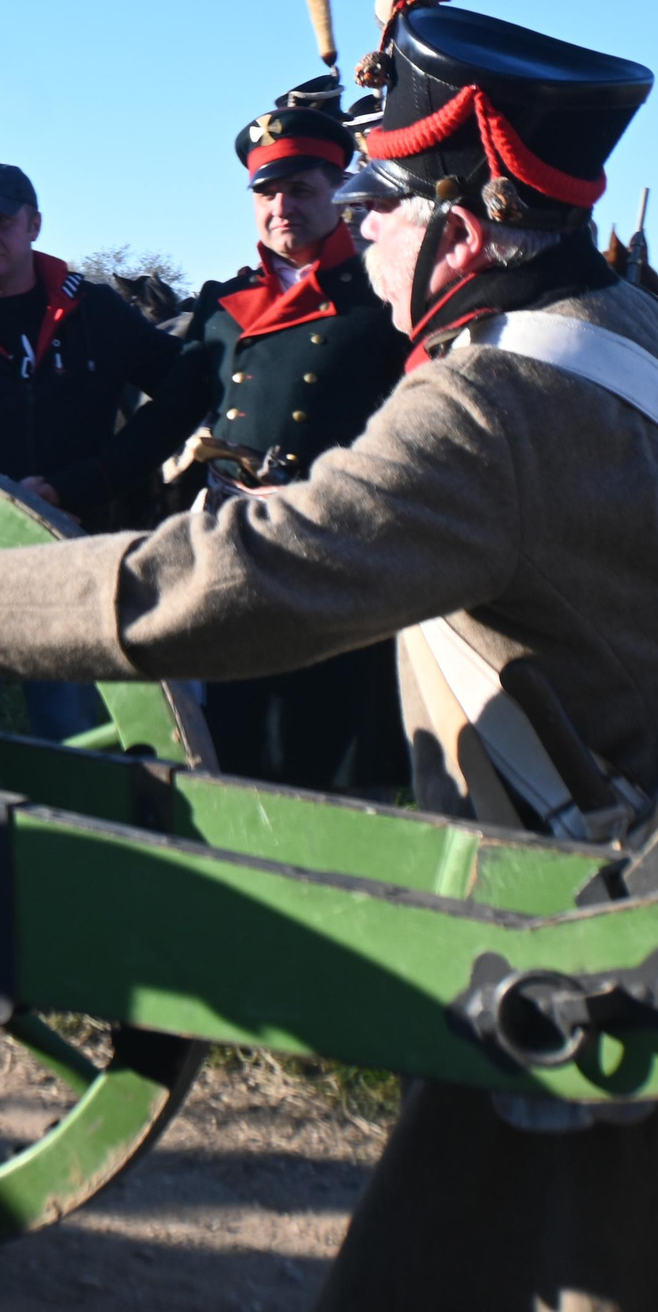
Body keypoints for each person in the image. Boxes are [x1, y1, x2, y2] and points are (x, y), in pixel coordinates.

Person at [0, 0, 658, 1312]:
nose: (359, 220)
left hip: (606, 919)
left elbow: (253, 573)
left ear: (463, 234)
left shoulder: (492, 401)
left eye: (385, 199)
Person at [119, 84, 411, 788]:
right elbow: (164, 419)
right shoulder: (225, 304)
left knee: (334, 752)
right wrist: (78, 480)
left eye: (300, 189)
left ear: (339, 188)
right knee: (240, 736)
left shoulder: (383, 296)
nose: (281, 207)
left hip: (336, 550)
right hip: (236, 544)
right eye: (267, 192)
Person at [0, 161, 183, 530]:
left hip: (86, 541)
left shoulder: (94, 311)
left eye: (2, 221)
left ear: (35, 226)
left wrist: (98, 479)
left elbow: (186, 388)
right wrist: (3, 500)